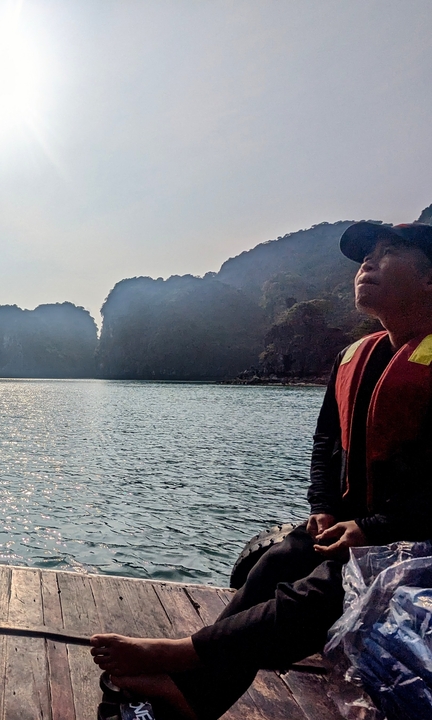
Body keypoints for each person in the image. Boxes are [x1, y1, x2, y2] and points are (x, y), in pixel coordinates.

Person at [90, 221, 432, 720]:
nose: (366, 264)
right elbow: (326, 445)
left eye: (388, 253)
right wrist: (323, 508)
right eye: (365, 256)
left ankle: (184, 654)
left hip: (410, 540)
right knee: (278, 561)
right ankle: (195, 697)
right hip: (354, 528)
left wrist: (373, 528)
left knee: (320, 591)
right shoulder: (354, 356)